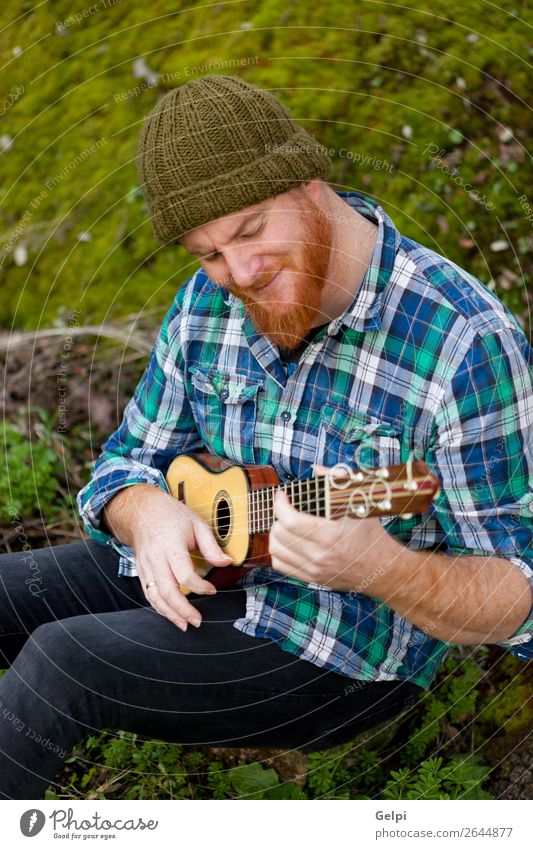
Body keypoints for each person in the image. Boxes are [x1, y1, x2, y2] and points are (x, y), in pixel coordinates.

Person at [0, 75, 531, 800]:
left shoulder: (465, 344)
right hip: (215, 570)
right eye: (208, 253)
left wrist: (383, 567)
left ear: (310, 182)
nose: (239, 273)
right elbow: (125, 463)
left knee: (58, 664)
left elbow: (517, 593)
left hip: (343, 651)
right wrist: (147, 512)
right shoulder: (205, 304)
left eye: (251, 230)